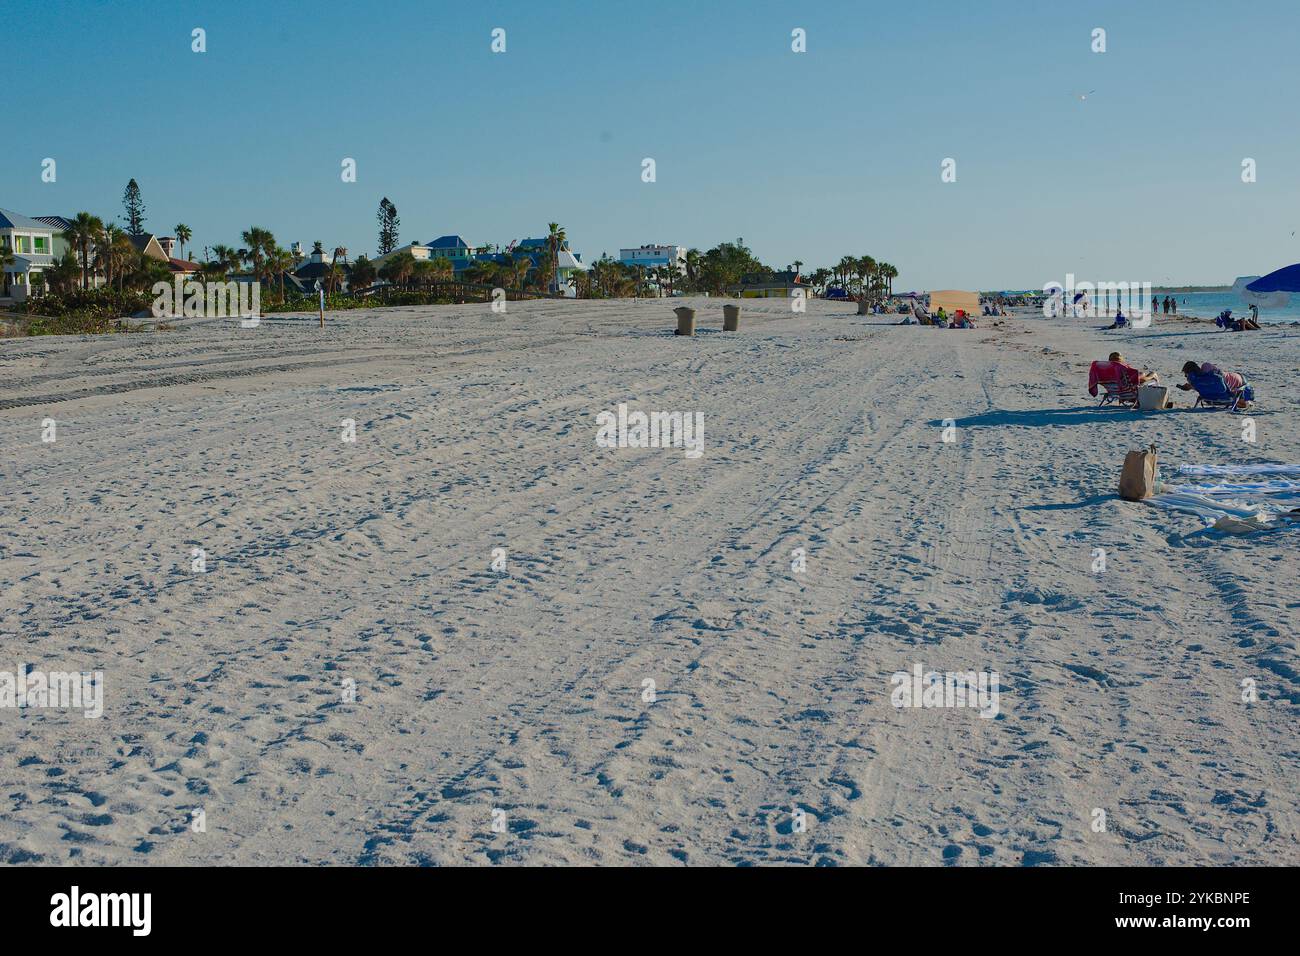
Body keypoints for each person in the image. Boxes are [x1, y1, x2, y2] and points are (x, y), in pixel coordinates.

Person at [1177, 360, 1248, 401]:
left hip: (1237, 380)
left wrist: (1193, 384)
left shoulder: (1206, 367)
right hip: (1231, 384)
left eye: (1186, 374)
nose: (1186, 377)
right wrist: (1192, 386)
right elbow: (1209, 385)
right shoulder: (1202, 381)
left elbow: (1212, 380)